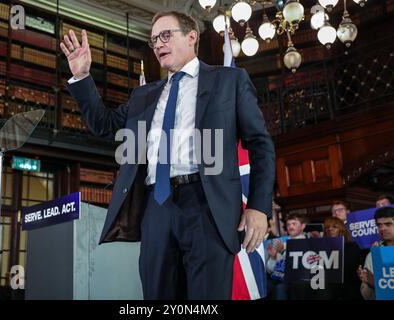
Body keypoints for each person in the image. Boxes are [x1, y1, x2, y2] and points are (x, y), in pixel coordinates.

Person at [60, 11, 275, 299]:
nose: (158, 44)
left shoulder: (229, 81)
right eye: (153, 40)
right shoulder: (144, 96)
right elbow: (104, 125)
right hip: (156, 209)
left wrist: (259, 207)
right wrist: (82, 76)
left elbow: (260, 145)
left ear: (191, 36)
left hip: (207, 206)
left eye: (165, 35)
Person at [266, 212, 308, 300]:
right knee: (272, 287)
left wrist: (283, 251)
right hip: (281, 279)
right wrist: (273, 257)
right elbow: (270, 271)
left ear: (303, 226)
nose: (290, 227)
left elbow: (301, 266)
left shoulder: (308, 243)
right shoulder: (282, 243)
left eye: (294, 224)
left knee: (282, 288)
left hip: (300, 281)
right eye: (288, 224)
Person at [357, 206, 394, 299]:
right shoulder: (373, 255)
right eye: (379, 225)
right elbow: (366, 296)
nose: (382, 228)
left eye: (388, 224)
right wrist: (371, 284)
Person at [323, 217, 362, 300]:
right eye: (327, 227)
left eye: (334, 227)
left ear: (342, 229)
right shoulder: (321, 249)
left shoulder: (352, 246)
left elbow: (350, 269)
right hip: (329, 293)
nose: (330, 229)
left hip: (350, 292)